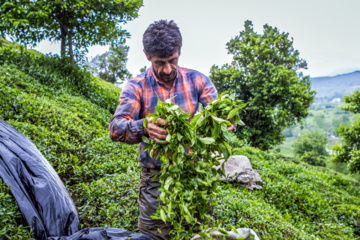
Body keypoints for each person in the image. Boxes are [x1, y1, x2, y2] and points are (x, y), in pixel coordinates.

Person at [109, 20, 235, 240]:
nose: (167, 69)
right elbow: (116, 128)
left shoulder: (197, 80)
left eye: (172, 60)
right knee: (153, 235)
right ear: (147, 55)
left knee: (197, 232)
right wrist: (144, 127)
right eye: (160, 62)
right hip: (156, 178)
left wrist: (224, 123)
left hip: (194, 175)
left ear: (179, 52)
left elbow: (220, 115)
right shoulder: (136, 86)